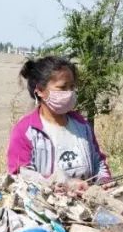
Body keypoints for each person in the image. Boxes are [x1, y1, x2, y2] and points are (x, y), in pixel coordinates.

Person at [7, 55, 111, 187]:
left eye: (72, 87)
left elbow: (99, 163)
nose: (69, 93)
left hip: (88, 202)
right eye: (63, 87)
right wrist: (65, 185)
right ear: (40, 91)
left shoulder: (82, 125)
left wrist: (104, 182)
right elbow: (20, 177)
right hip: (47, 205)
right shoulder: (25, 131)